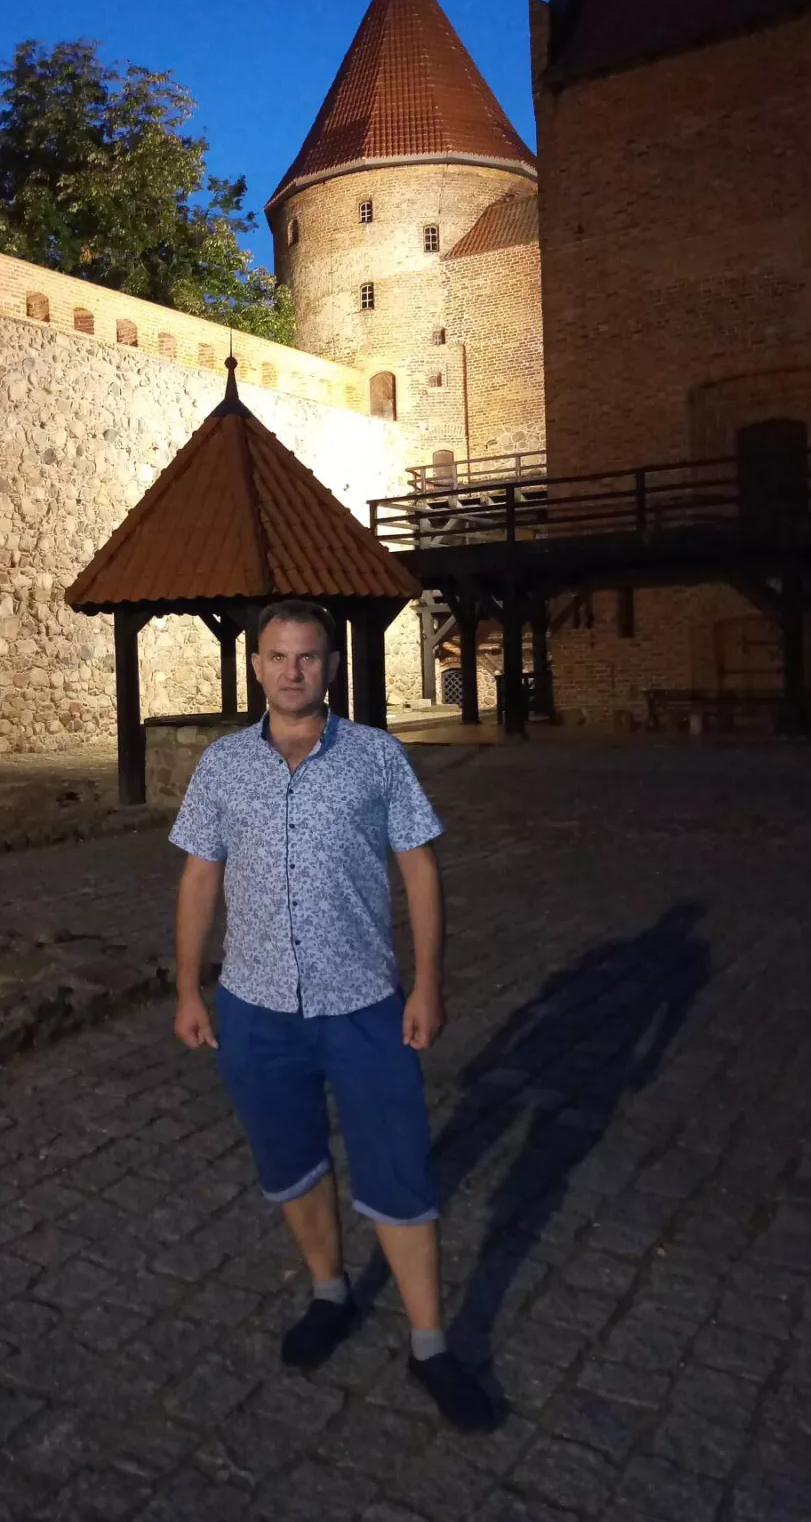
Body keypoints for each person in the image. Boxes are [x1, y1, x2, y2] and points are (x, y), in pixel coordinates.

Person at [169, 598, 496, 1433]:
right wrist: (188, 988)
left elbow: (419, 870)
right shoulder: (222, 765)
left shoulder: (377, 757)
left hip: (362, 1006)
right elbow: (200, 877)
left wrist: (429, 982)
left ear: (332, 665)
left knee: (398, 1166)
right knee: (291, 1160)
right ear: (255, 666)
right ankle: (329, 1290)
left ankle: (430, 1344)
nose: (292, 670)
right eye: (278, 656)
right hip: (255, 1006)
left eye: (308, 656)